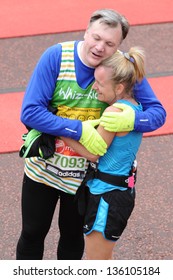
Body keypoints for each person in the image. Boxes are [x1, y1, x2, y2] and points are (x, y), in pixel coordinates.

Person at [16, 9, 166, 260]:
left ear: (118, 46)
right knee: (32, 233)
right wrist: (77, 129)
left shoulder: (120, 68)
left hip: (85, 178)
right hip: (44, 170)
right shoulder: (56, 56)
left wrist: (134, 119)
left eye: (109, 43)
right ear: (85, 31)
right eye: (95, 38)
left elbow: (158, 113)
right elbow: (30, 112)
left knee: (72, 238)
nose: (99, 47)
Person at [61, 46, 146, 259]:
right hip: (119, 192)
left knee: (97, 264)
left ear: (119, 88)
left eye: (100, 83)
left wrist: (61, 131)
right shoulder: (134, 107)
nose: (95, 88)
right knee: (104, 259)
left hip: (107, 195)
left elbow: (93, 153)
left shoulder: (114, 112)